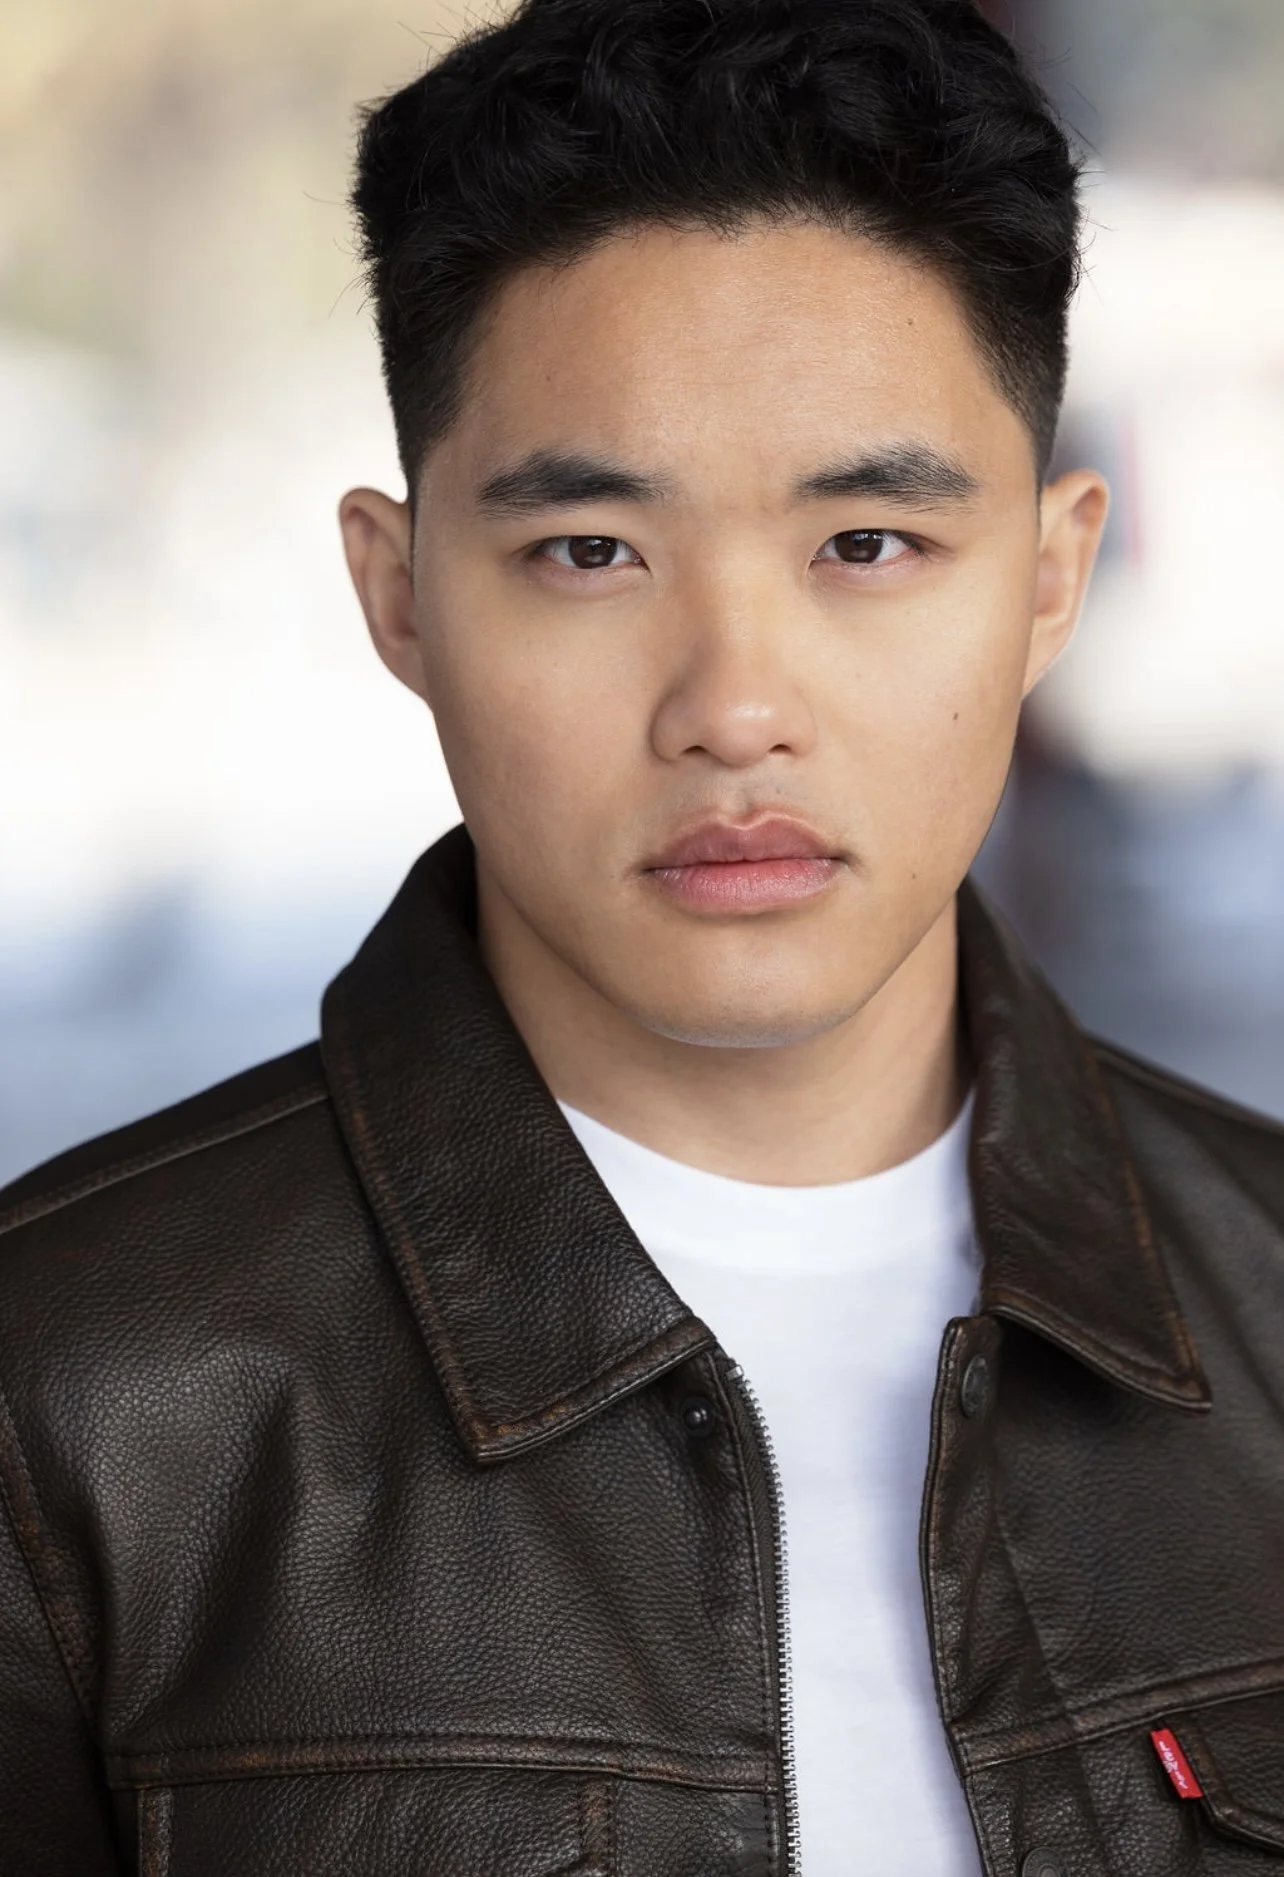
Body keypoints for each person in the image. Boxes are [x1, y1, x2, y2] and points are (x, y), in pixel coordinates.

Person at [2, 0, 1282, 1870]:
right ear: (400, 596)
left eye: (867, 546)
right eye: (591, 552)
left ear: (1050, 576)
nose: (735, 708)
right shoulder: (61, 1399)